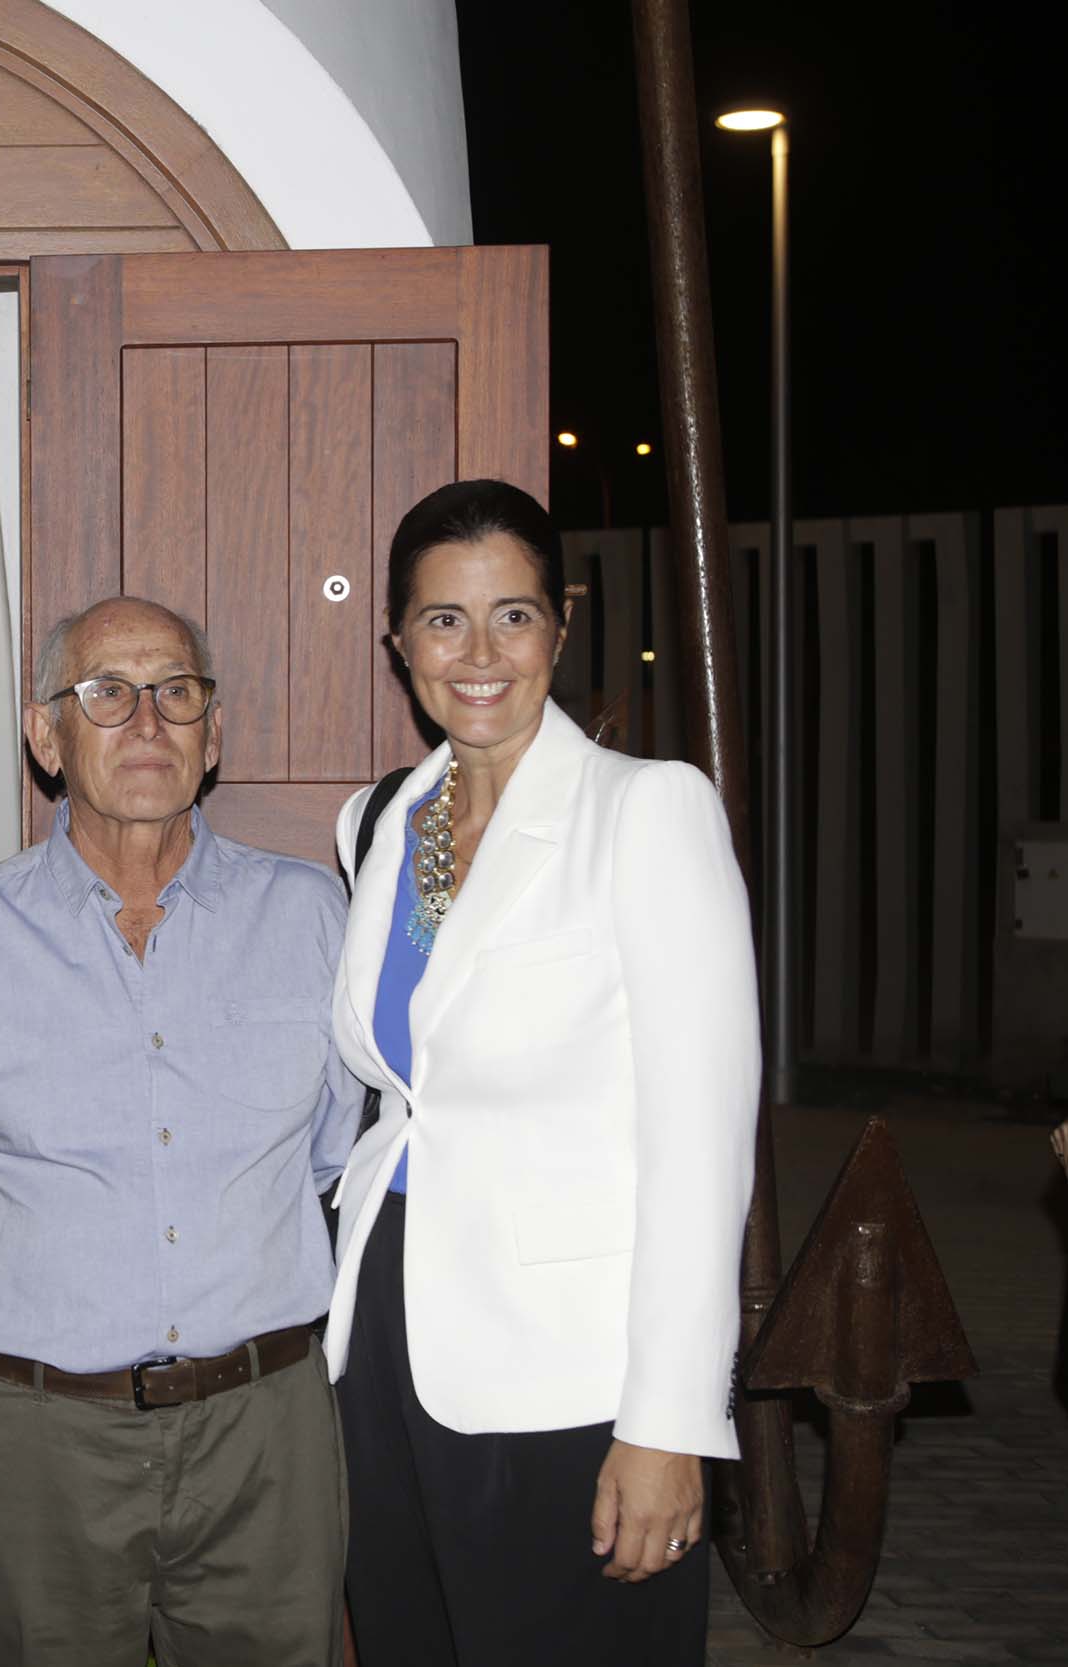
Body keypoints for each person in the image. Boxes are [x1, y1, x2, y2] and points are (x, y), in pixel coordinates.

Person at [325, 479, 757, 1665]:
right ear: (398, 640)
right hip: (386, 1345)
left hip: (570, 1374)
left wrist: (669, 1422)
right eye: (442, 619)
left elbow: (701, 1143)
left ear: (560, 627)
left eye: (511, 615)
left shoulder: (646, 812)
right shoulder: (375, 824)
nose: (478, 653)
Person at [0, 596, 355, 1666]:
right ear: (45, 735)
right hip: (35, 1438)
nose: (146, 720)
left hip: (265, 1433)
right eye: (106, 693)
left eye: (175, 691)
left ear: (214, 732)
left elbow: (335, 1152)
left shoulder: (311, 918)